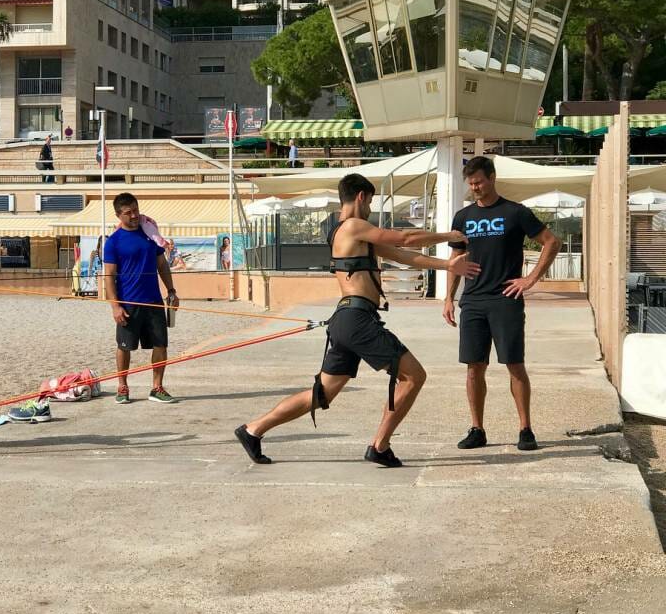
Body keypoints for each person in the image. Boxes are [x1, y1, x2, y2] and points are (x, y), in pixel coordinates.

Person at [235, 174, 480, 467]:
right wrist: (448, 236)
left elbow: (402, 254)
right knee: (414, 376)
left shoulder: (347, 233)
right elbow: (405, 237)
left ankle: (253, 429)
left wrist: (448, 264)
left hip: (348, 318)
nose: (371, 208)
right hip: (357, 319)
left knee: (322, 393)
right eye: (371, 201)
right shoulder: (353, 226)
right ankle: (380, 445)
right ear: (361, 196)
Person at [444, 156, 562, 452]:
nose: (476, 189)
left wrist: (530, 279)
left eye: (480, 182)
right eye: (471, 184)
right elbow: (455, 261)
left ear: (492, 177)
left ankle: (525, 428)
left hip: (505, 299)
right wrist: (448, 297)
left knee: (514, 364)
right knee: (473, 367)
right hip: (472, 301)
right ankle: (477, 428)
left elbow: (552, 241)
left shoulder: (515, 212)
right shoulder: (463, 217)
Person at [104, 193, 180, 405]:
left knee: (160, 345)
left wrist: (171, 291)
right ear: (119, 215)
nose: (135, 215)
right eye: (128, 212)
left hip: (153, 301)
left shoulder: (150, 234)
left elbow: (162, 265)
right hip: (128, 303)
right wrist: (115, 306)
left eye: (136, 210)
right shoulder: (113, 242)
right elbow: (108, 276)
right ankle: (122, 386)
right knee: (124, 346)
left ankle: (157, 387)